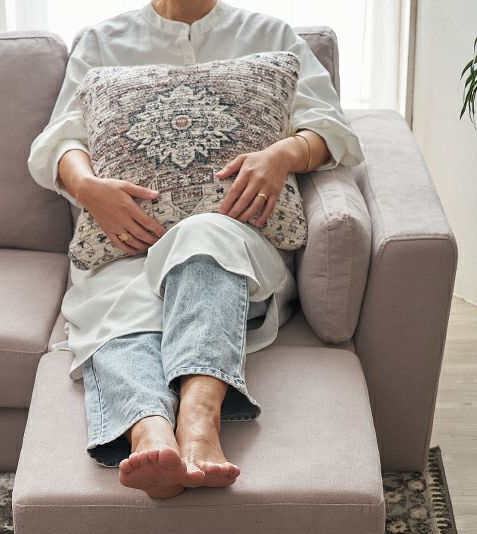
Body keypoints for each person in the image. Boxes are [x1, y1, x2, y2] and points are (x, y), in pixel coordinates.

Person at [27, 0, 364, 499]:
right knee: (119, 302)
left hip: (236, 240)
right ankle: (150, 436)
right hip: (130, 245)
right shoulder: (102, 41)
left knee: (204, 234)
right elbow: (62, 138)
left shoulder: (270, 34)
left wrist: (282, 154)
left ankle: (200, 420)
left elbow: (332, 129)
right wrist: (87, 187)